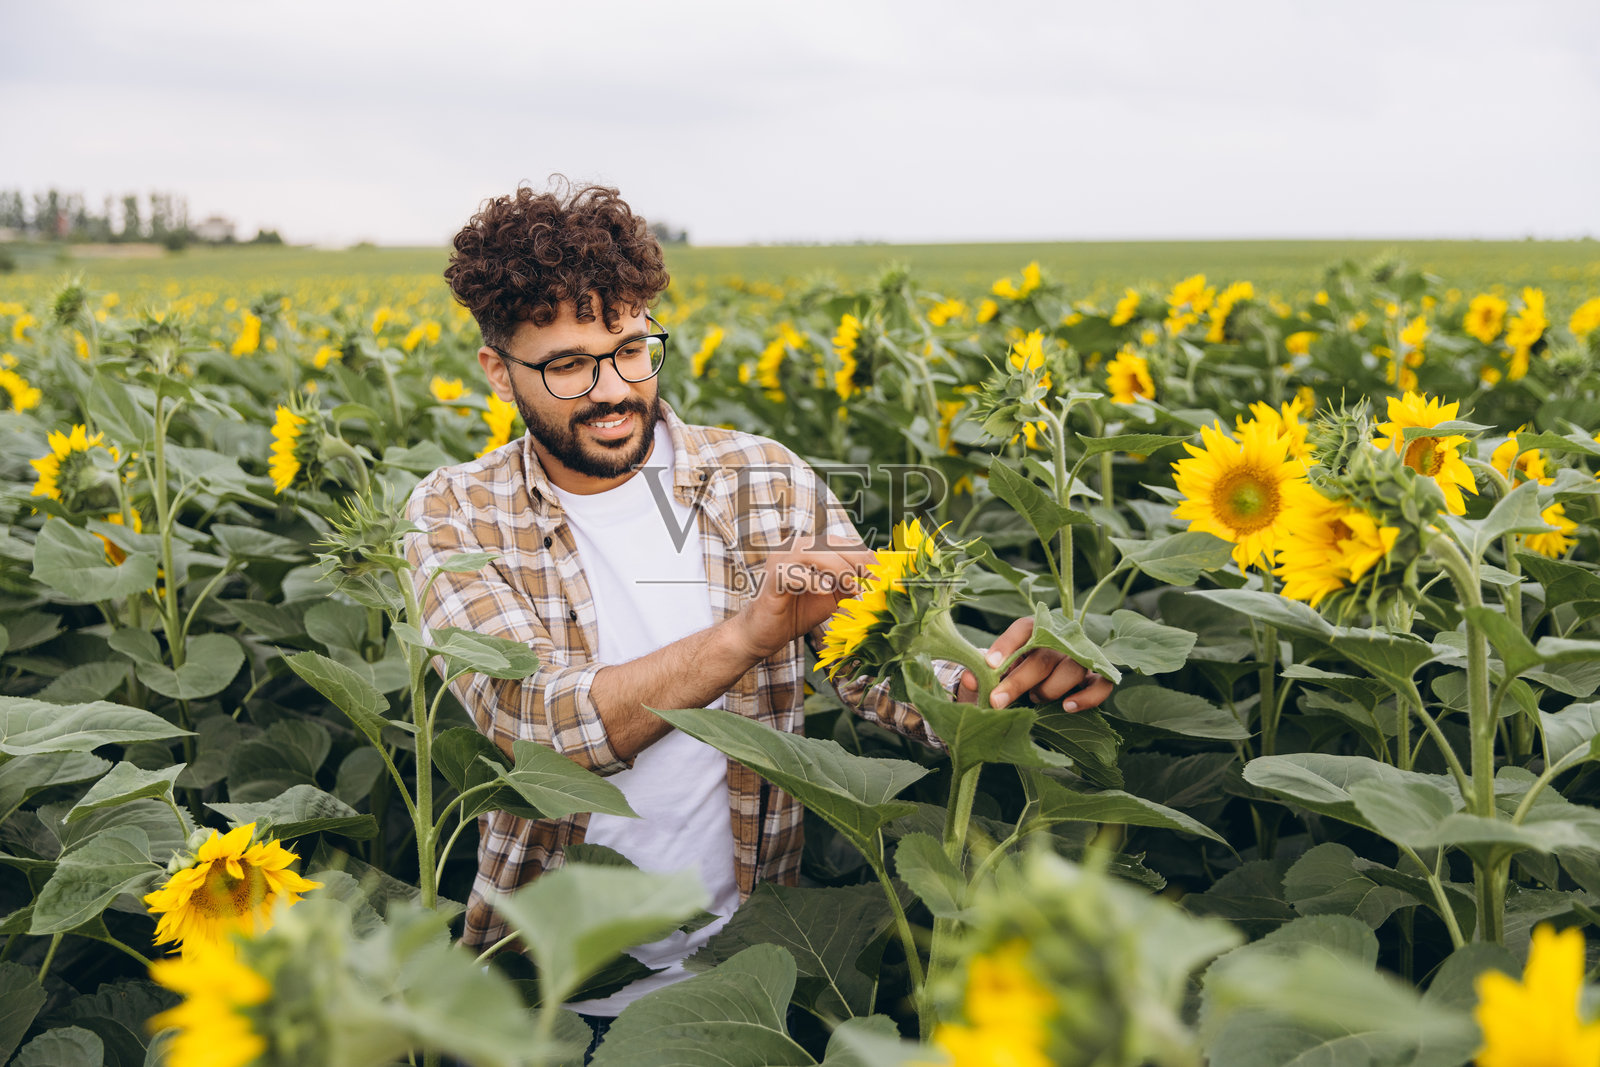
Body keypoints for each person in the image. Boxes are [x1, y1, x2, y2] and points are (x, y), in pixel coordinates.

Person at [402, 181, 1113, 1047]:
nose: (613, 389)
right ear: (495, 368)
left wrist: (987, 682)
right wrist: (748, 633)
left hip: (752, 973)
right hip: (548, 996)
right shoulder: (457, 514)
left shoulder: (763, 477)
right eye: (567, 364)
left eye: (632, 349)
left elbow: (871, 665)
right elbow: (537, 729)